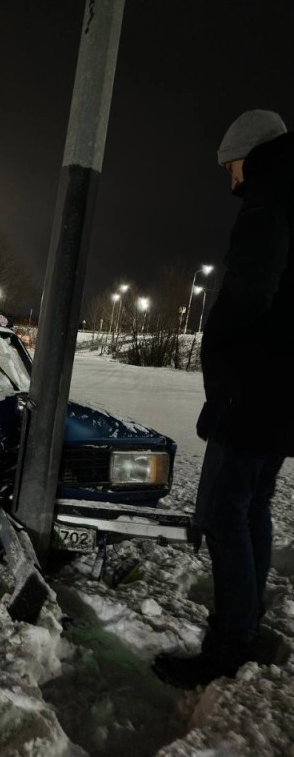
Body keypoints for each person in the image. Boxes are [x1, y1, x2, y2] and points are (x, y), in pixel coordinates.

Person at [154, 110, 294, 689]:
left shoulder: (267, 206)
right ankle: (247, 625)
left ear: (251, 154)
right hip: (283, 391)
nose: (230, 179)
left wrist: (223, 367)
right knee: (251, 506)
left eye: (231, 165)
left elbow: (248, 296)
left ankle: (230, 640)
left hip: (254, 387)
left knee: (219, 514)